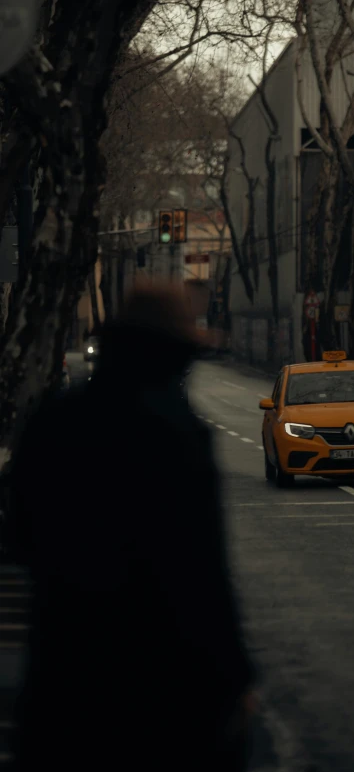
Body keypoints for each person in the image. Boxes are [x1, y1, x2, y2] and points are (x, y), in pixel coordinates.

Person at [9, 281, 255, 770]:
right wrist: (233, 677)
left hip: (66, 668)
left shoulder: (55, 420)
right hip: (162, 681)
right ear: (172, 355)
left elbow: (19, 533)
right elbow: (201, 573)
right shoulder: (178, 433)